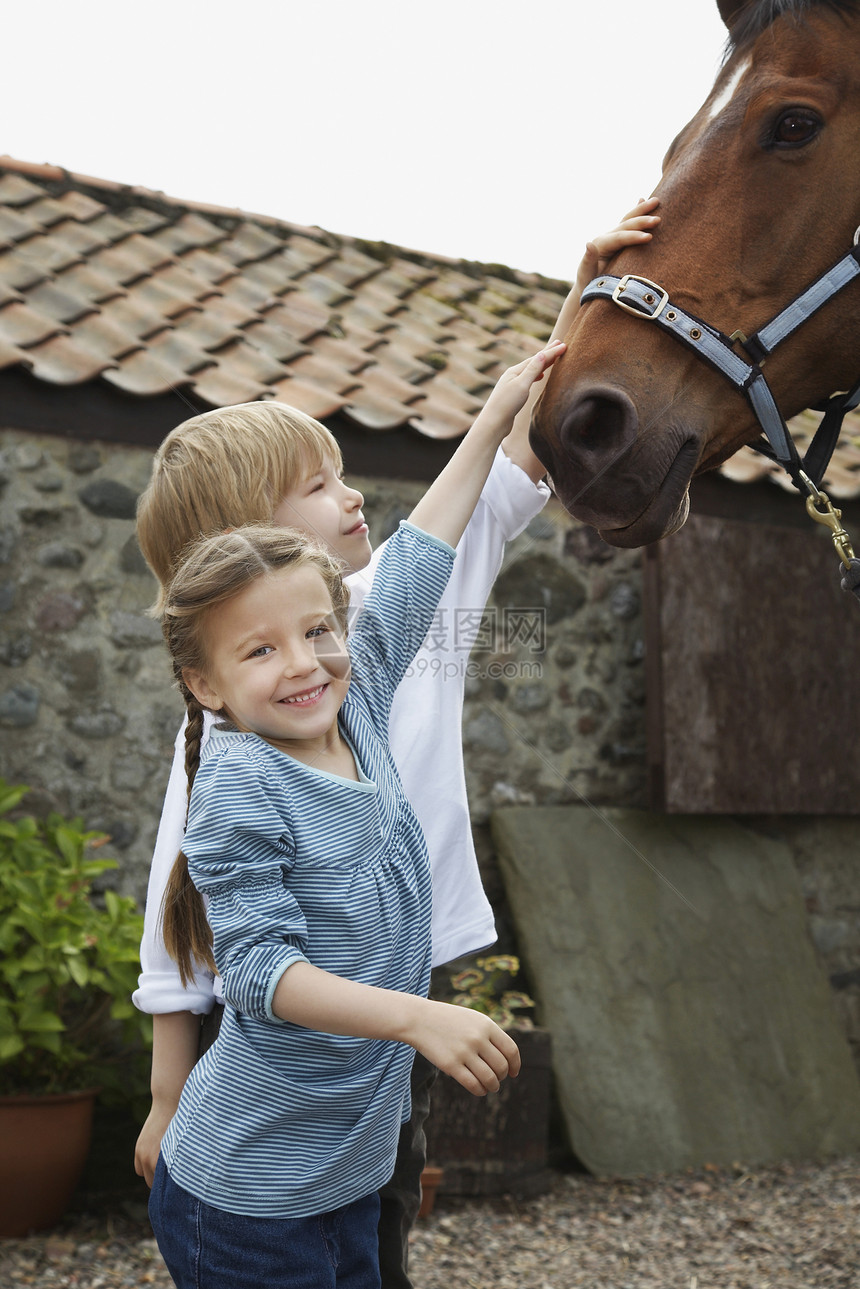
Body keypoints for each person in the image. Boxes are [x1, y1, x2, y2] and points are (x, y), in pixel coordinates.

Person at [133, 200, 661, 1287]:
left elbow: (485, 486)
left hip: (390, 1016)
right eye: (317, 482)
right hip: (325, 1045)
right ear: (246, 535)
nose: (351, 491)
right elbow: (187, 925)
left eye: (317, 632)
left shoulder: (356, 645)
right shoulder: (237, 739)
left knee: (378, 1215)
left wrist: (583, 302)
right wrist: (168, 1086)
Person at [147, 338, 567, 1287]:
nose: (302, 663)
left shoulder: (360, 688)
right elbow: (258, 973)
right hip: (249, 1201)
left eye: (317, 631)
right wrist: (418, 1018)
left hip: (343, 1171)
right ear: (203, 681)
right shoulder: (240, 783)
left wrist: (497, 414)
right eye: (259, 651)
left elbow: (426, 543)